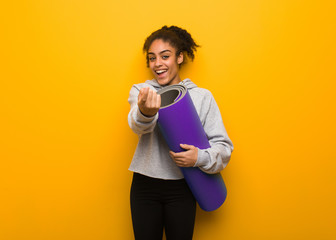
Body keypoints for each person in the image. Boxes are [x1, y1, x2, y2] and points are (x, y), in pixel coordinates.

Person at [127, 25, 233, 240]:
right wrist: (145, 112)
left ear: (180, 58)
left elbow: (224, 147)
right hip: (145, 186)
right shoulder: (143, 92)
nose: (158, 63)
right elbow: (137, 125)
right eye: (152, 58)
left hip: (184, 186)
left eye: (165, 56)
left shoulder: (203, 97)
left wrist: (199, 158)